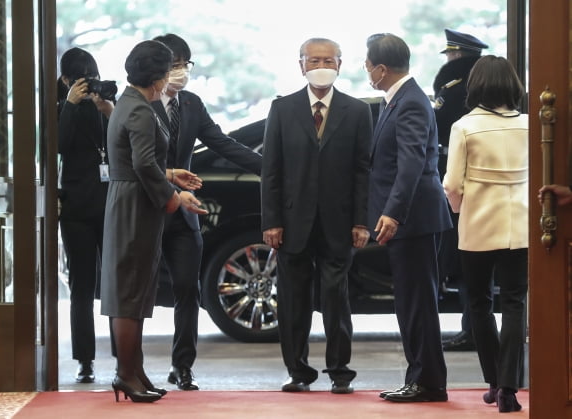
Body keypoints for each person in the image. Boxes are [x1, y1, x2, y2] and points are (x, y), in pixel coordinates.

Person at [150, 33, 262, 391]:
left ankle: (182, 366)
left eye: (185, 64)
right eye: (174, 65)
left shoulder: (192, 104)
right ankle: (128, 366)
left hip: (184, 214)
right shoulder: (137, 103)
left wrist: (270, 167)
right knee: (134, 291)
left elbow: (224, 143)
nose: (181, 71)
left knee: (188, 288)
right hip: (145, 210)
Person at [261, 37, 373, 394]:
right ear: (301, 65)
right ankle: (298, 371)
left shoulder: (357, 111)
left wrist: (361, 220)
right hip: (293, 222)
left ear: (340, 64)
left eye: (328, 59)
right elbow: (272, 170)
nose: (321, 65)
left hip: (339, 223)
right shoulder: (283, 109)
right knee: (292, 301)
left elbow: (362, 171)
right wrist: (271, 221)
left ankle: (340, 371)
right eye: (314, 60)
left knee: (335, 298)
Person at [100, 39, 206, 403]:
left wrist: (172, 174)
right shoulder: (142, 110)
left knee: (134, 289)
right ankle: (126, 374)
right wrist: (174, 198)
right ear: (158, 76)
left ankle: (134, 371)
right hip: (136, 204)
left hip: (127, 198)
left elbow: (136, 161)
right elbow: (143, 164)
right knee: (130, 293)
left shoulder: (127, 103)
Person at [364, 33, 452, 403]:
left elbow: (411, 163)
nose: (366, 71)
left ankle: (427, 382)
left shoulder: (411, 102)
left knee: (417, 303)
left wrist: (393, 213)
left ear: (382, 69)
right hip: (412, 219)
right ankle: (423, 377)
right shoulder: (399, 99)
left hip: (414, 218)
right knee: (411, 301)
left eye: (368, 65)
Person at [443, 55, 528, 413]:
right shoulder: (528, 125)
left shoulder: (464, 126)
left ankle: (493, 381)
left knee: (478, 302)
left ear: (475, 86)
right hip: (519, 224)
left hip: (478, 223)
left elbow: (451, 184)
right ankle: (509, 388)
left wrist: (462, 210)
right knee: (514, 303)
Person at [57, 47, 114, 383]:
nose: (88, 84)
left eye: (91, 77)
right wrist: (71, 104)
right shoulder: (63, 107)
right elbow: (59, 146)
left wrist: (105, 105)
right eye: (81, 79)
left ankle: (124, 356)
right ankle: (85, 360)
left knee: (115, 284)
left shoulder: (100, 103)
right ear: (66, 80)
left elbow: (121, 141)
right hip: (77, 208)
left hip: (109, 204)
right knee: (82, 287)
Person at [434, 29, 488, 352]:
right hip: (479, 182)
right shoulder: (484, 88)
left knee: (467, 259)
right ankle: (473, 327)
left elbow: (438, 127)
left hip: (459, 182)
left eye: (452, 55)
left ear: (458, 56)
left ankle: (472, 329)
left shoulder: (455, 90)